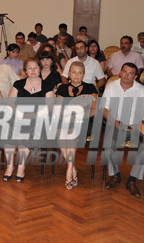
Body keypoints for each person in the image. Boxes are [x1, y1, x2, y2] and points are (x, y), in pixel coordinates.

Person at [103, 63, 144, 198]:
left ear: (135, 76)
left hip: (136, 127)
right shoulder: (111, 86)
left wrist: (140, 125)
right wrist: (115, 122)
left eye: (130, 73)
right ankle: (115, 175)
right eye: (124, 72)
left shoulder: (143, 91)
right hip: (117, 125)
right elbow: (104, 109)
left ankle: (132, 180)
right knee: (108, 144)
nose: (126, 75)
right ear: (120, 72)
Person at [4, 58, 55, 183]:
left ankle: (21, 167)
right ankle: (10, 166)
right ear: (25, 71)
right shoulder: (18, 84)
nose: (33, 70)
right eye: (30, 68)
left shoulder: (47, 86)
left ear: (40, 69)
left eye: (36, 68)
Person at [56, 61, 98, 190]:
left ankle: (70, 172)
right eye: (73, 72)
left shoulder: (90, 87)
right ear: (69, 73)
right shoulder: (62, 88)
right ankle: (72, 168)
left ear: (83, 74)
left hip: (85, 121)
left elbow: (94, 109)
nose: (76, 75)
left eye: (80, 72)